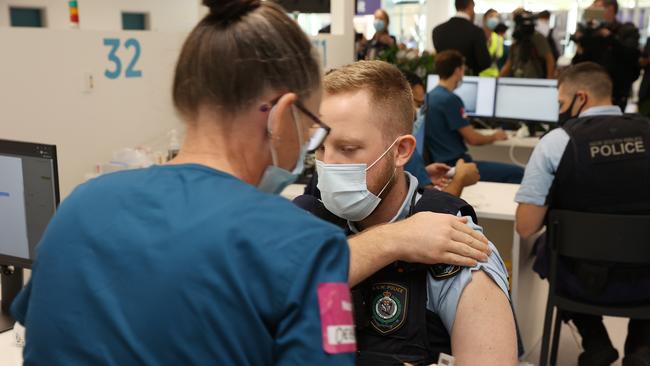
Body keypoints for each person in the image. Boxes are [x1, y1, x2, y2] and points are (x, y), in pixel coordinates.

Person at [10, 1, 492, 365]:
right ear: (282, 114)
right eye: (313, 129)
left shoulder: (80, 207)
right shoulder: (306, 249)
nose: (315, 149)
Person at [296, 60, 517, 366]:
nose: (328, 165)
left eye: (347, 149)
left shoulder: (456, 244)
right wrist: (394, 238)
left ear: (400, 151)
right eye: (320, 149)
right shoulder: (302, 222)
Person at [515, 62, 650, 366]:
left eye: (562, 103)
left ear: (582, 98)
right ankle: (643, 347)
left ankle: (595, 341)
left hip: (583, 283)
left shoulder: (556, 143)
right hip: (647, 283)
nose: (560, 110)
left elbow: (526, 226)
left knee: (545, 248)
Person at [426, 50, 525, 184]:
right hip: (456, 165)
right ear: (458, 71)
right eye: (463, 69)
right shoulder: (450, 100)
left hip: (439, 164)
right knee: (519, 173)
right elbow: (473, 139)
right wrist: (495, 135)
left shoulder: (429, 97)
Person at [402, 71, 480, 195]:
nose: (420, 112)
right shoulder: (405, 150)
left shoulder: (385, 145)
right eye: (419, 104)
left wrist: (423, 173)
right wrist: (460, 180)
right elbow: (434, 209)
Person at [572, 0, 641, 111]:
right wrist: (582, 41)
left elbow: (630, 55)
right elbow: (579, 62)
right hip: (588, 90)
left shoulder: (626, 30)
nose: (594, 11)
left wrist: (609, 37)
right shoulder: (589, 32)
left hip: (615, 93)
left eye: (598, 7)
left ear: (611, 9)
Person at [432, 0, 491, 76]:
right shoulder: (476, 32)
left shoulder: (437, 31)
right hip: (470, 81)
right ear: (470, 6)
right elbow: (485, 63)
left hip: (444, 80)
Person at [500, 9, 555, 79]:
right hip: (517, 80)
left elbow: (550, 60)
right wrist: (498, 80)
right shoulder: (517, 40)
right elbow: (509, 63)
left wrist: (548, 80)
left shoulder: (538, 37)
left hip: (536, 81)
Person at [479, 9, 505, 77]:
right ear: (484, 19)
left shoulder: (499, 38)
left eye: (496, 17)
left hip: (493, 76)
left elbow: (498, 56)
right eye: (491, 16)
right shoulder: (477, 36)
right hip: (478, 75)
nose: (494, 19)